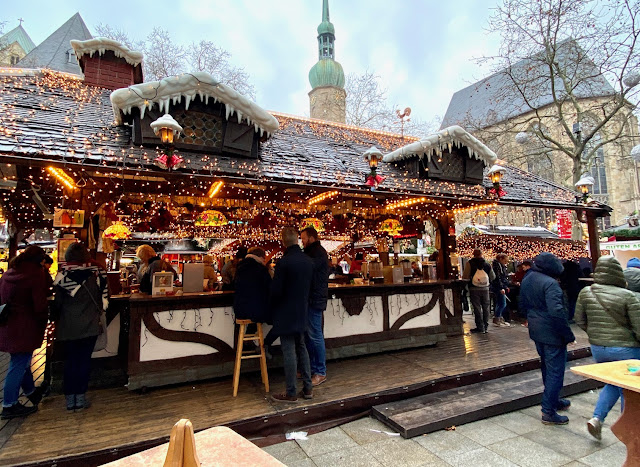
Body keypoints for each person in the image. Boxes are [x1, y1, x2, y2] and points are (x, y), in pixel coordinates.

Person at [575, 256, 640, 440]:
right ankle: (629, 429)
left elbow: (579, 319)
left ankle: (597, 418)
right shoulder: (627, 295)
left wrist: (596, 335)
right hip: (627, 349)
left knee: (612, 383)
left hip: (598, 348)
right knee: (629, 389)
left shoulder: (586, 292)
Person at [52, 243, 109, 411]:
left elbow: (57, 304)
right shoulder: (97, 273)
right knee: (84, 361)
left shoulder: (62, 274)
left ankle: (70, 399)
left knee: (70, 361)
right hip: (90, 323)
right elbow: (105, 298)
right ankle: (81, 398)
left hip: (68, 324)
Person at [520, 252, 575, 425]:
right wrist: (567, 334)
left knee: (547, 367)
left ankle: (554, 400)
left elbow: (522, 304)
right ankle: (548, 411)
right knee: (556, 371)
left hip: (537, 329)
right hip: (552, 332)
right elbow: (557, 312)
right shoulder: (551, 284)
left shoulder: (528, 278)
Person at [0, 246, 49, 419]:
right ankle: (9, 404)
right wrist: (45, 317)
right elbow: (39, 304)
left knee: (21, 361)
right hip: (26, 324)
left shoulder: (8, 273)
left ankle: (31, 392)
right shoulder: (35, 274)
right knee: (19, 364)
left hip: (9, 324)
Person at [270, 227, 314, 403]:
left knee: (288, 350)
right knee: (302, 347)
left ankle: (291, 392)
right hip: (302, 310)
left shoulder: (284, 263)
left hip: (286, 312)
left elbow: (276, 290)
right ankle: (308, 388)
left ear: (283, 241)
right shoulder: (308, 261)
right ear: (297, 240)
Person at [301, 227, 329, 386]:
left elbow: (308, 270)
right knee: (310, 336)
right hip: (312, 299)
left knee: (315, 335)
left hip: (314, 299)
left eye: (304, 238)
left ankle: (320, 371)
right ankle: (312, 368)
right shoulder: (314, 252)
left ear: (311, 238)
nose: (302, 241)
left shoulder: (317, 253)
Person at [233, 247, 272, 324]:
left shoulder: (239, 267)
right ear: (261, 257)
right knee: (281, 319)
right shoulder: (261, 269)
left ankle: (250, 334)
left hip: (239, 310)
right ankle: (269, 336)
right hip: (256, 311)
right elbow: (270, 287)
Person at [462, 249, 495, 334]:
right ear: (481, 254)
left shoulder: (469, 263)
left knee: (477, 308)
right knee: (486, 307)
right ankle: (486, 326)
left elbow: (465, 276)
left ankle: (480, 327)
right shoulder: (487, 264)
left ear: (473, 254)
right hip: (485, 289)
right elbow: (493, 276)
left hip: (474, 288)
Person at [491, 253, 511, 327]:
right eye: (505, 261)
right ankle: (497, 318)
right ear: (501, 259)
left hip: (499, 286)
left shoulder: (497, 266)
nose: (505, 263)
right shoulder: (498, 266)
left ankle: (498, 318)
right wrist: (501, 287)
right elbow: (498, 278)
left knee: (500, 303)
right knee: (502, 303)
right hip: (499, 287)